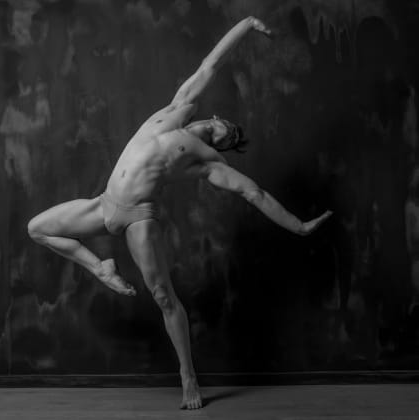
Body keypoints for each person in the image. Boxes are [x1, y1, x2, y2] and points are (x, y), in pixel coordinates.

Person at [28, 17, 332, 410]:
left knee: (164, 297)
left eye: (231, 140)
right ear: (218, 117)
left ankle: (188, 377)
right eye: (229, 127)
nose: (227, 133)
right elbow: (211, 63)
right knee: (37, 228)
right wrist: (246, 24)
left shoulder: (205, 162)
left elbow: (252, 192)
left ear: (222, 147)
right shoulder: (179, 106)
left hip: (138, 218)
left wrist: (299, 225)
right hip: (103, 205)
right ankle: (101, 268)